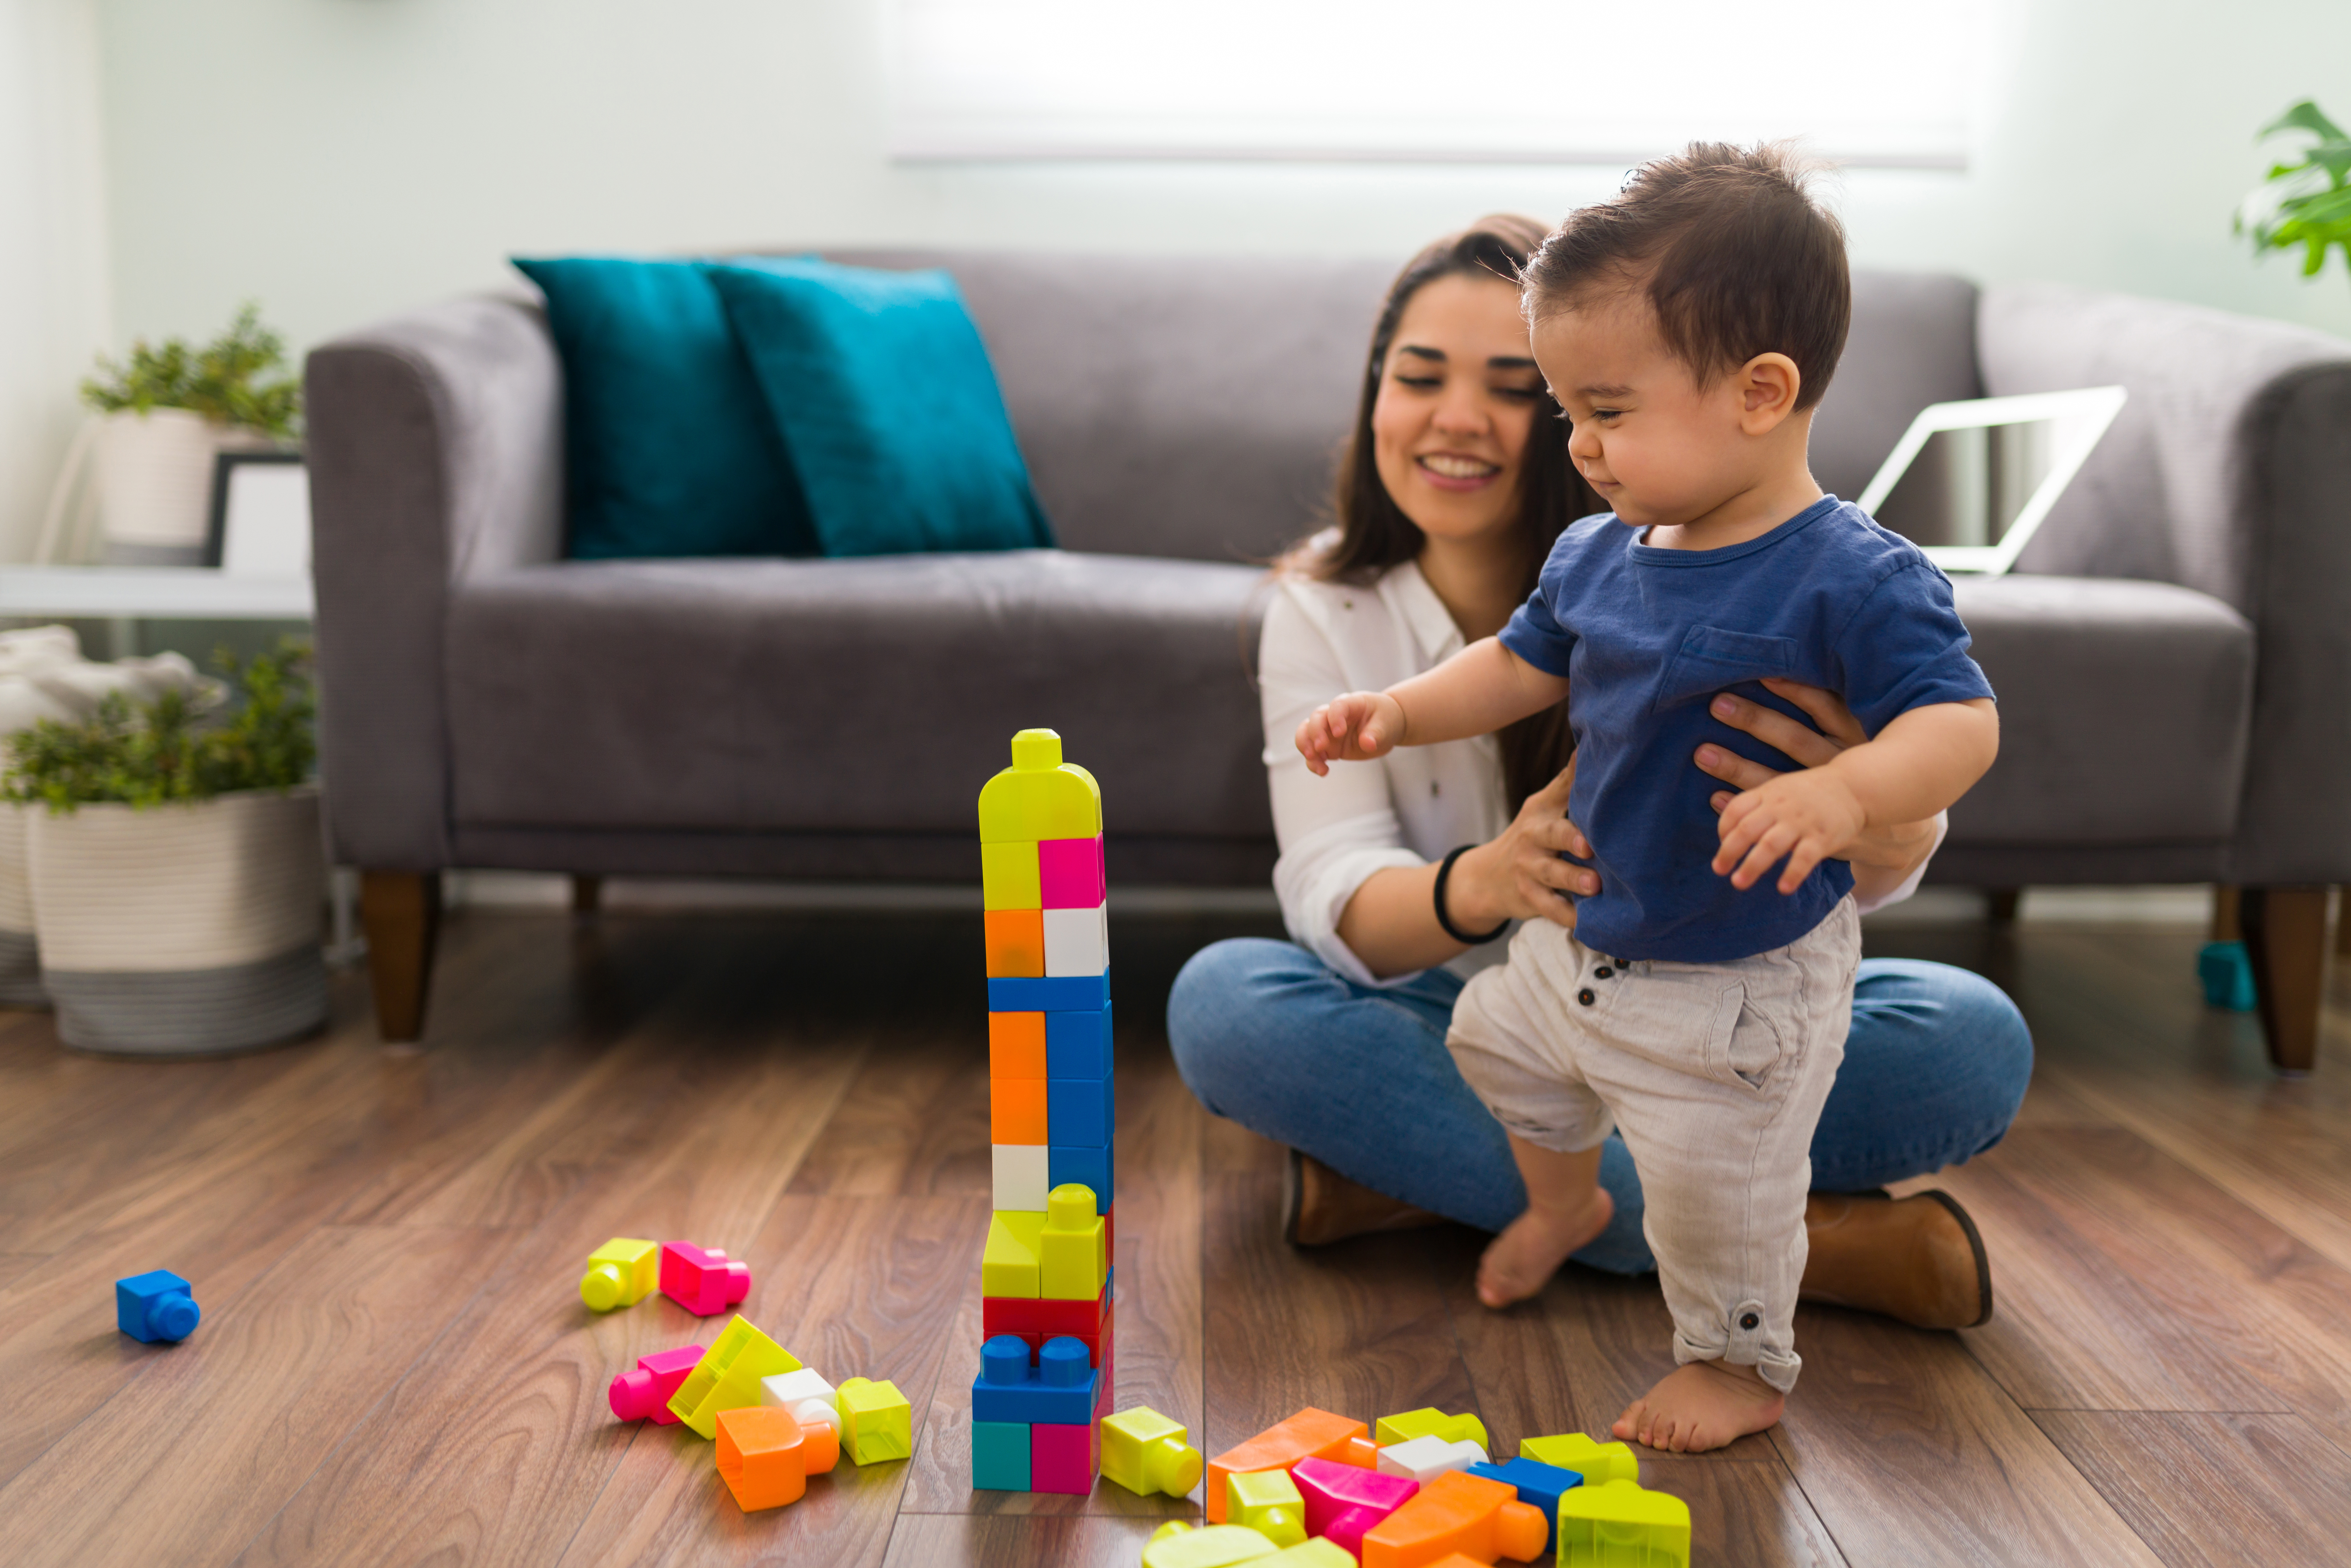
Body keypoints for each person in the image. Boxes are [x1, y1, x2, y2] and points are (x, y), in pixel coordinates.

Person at [1166, 206, 2032, 1428]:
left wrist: (1848, 797)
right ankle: (1735, 1227)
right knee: (1260, 1007)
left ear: (1758, 392)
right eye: (1420, 376)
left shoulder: (1857, 575)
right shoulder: (1586, 557)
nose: (1573, 442)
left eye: (1580, 406)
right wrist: (1401, 724)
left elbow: (1962, 725)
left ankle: (1710, 1320)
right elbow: (1511, 672)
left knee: (1968, 1031)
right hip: (1561, 967)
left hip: (1736, 982)